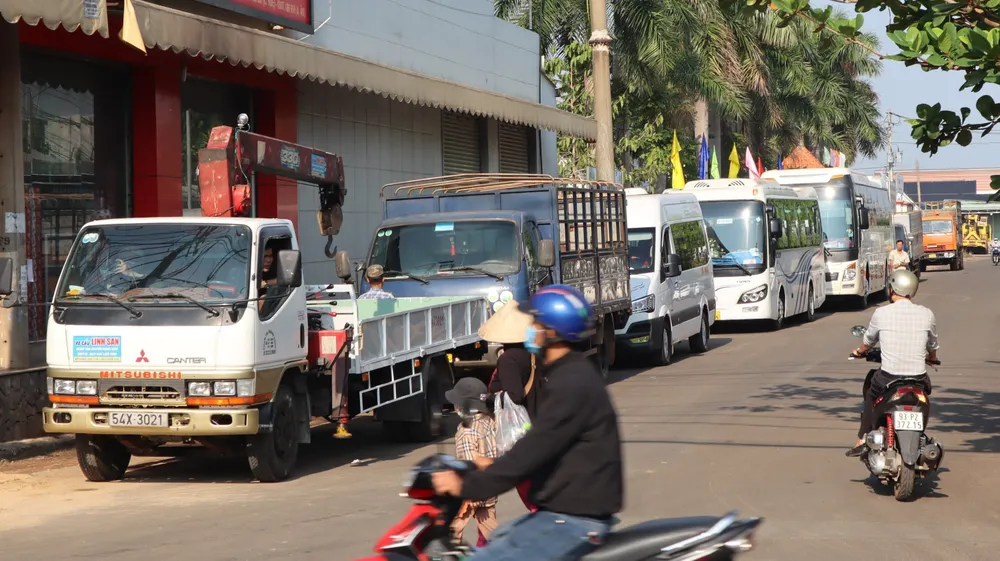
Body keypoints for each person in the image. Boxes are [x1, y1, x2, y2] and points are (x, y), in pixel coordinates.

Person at [432, 284, 623, 561]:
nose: (530, 330)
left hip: (573, 519)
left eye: (535, 323)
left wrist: (466, 486)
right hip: (561, 512)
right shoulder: (565, 372)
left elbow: (534, 449)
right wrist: (491, 465)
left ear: (552, 331)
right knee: (497, 538)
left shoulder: (572, 383)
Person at [846, 269, 939, 457]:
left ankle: (863, 437)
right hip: (918, 379)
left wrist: (859, 352)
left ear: (892, 289)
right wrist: (932, 357)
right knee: (925, 397)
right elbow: (932, 344)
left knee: (871, 390)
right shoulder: (927, 314)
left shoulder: (881, 313)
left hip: (888, 378)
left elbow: (868, 341)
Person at [479, 299, 538, 512]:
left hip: (519, 428)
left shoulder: (509, 359)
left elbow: (514, 396)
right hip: (534, 421)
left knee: (525, 483)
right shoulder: (531, 354)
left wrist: (488, 399)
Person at [445, 377, 499, 547]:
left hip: (472, 492)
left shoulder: (466, 431)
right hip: (489, 487)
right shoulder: (489, 421)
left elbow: (470, 463)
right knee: (491, 530)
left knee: (452, 529)